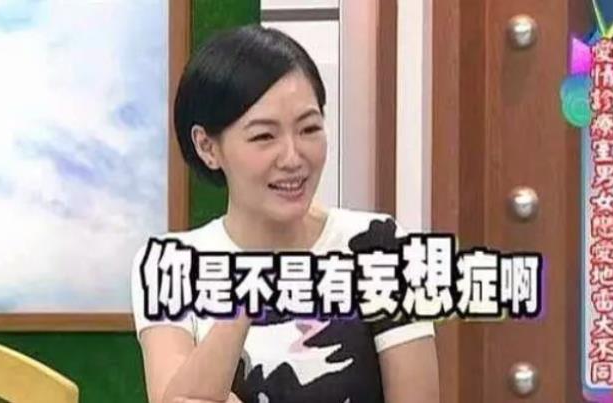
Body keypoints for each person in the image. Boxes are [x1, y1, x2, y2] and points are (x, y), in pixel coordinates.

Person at [131, 24, 440, 403]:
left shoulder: (381, 246)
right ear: (208, 147)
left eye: (309, 128)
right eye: (264, 136)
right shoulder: (170, 264)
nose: (293, 158)